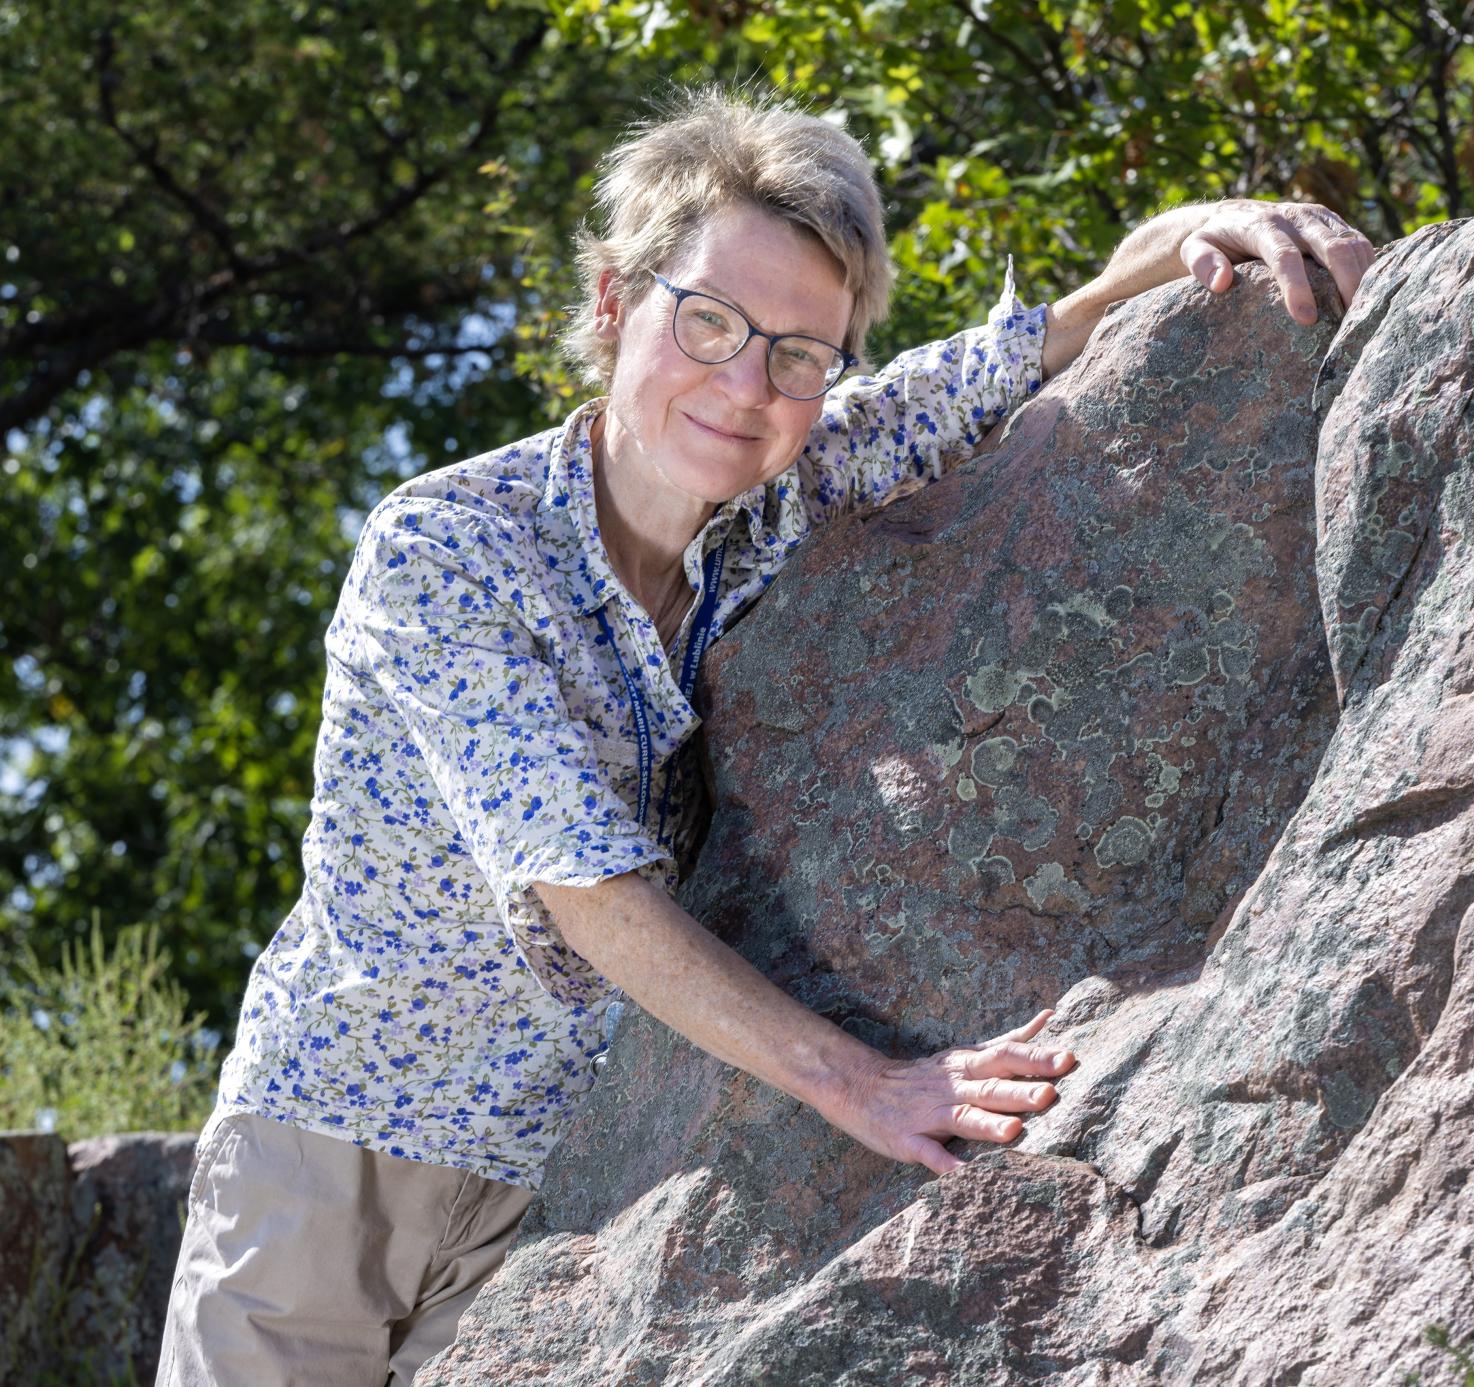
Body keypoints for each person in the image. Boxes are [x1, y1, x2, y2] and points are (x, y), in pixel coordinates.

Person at [156, 86, 1374, 1386]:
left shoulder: (775, 503)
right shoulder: (450, 549)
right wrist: (870, 1086)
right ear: (617, 302)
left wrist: (1213, 226)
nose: (746, 385)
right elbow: (586, 890)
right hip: (331, 1149)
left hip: (547, 1195)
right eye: (711, 321)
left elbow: (1000, 361)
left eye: (801, 353)